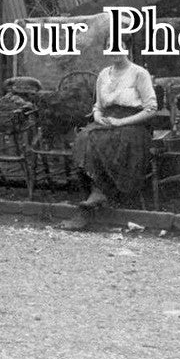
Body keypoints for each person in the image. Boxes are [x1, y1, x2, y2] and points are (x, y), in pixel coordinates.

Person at [60, 50, 157, 230]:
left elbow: (151, 109)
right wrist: (98, 117)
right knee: (84, 137)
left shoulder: (139, 73)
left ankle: (98, 194)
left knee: (103, 139)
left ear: (127, 49)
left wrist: (121, 122)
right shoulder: (104, 74)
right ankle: (95, 193)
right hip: (108, 122)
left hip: (133, 126)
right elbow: (97, 106)